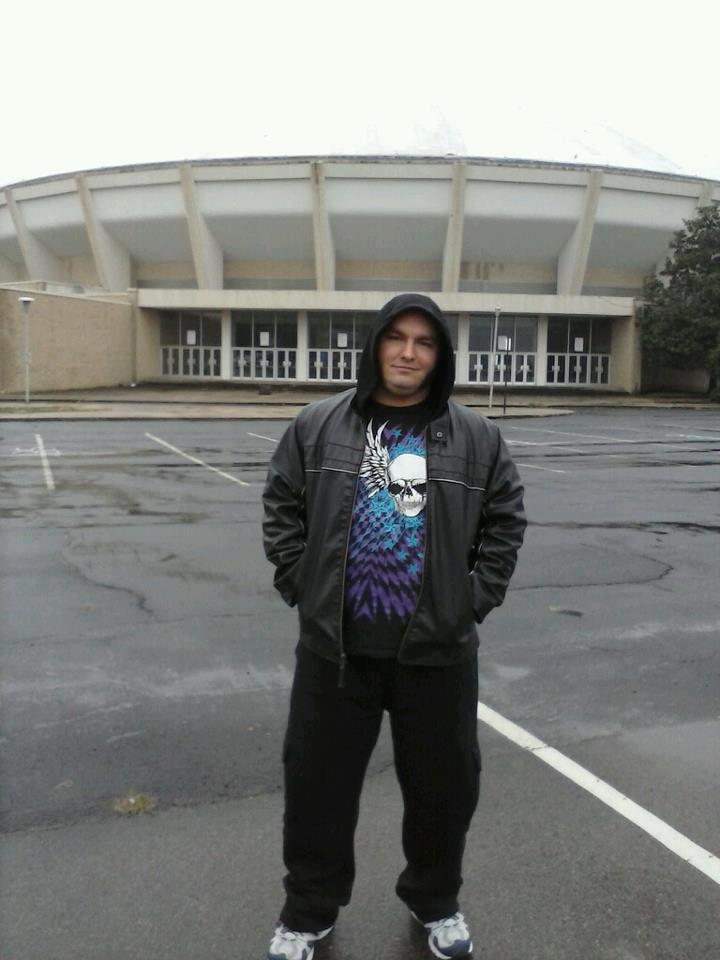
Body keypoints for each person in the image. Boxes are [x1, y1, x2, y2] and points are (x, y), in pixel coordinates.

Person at [262, 293, 526, 960]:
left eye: (424, 342)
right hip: (336, 650)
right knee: (317, 789)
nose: (408, 352)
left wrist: (472, 599)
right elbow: (281, 504)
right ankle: (308, 911)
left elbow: (505, 521)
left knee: (443, 792)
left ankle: (435, 902)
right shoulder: (319, 425)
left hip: (436, 651)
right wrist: (301, 582)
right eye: (397, 338)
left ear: (440, 356)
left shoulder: (477, 437)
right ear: (376, 344)